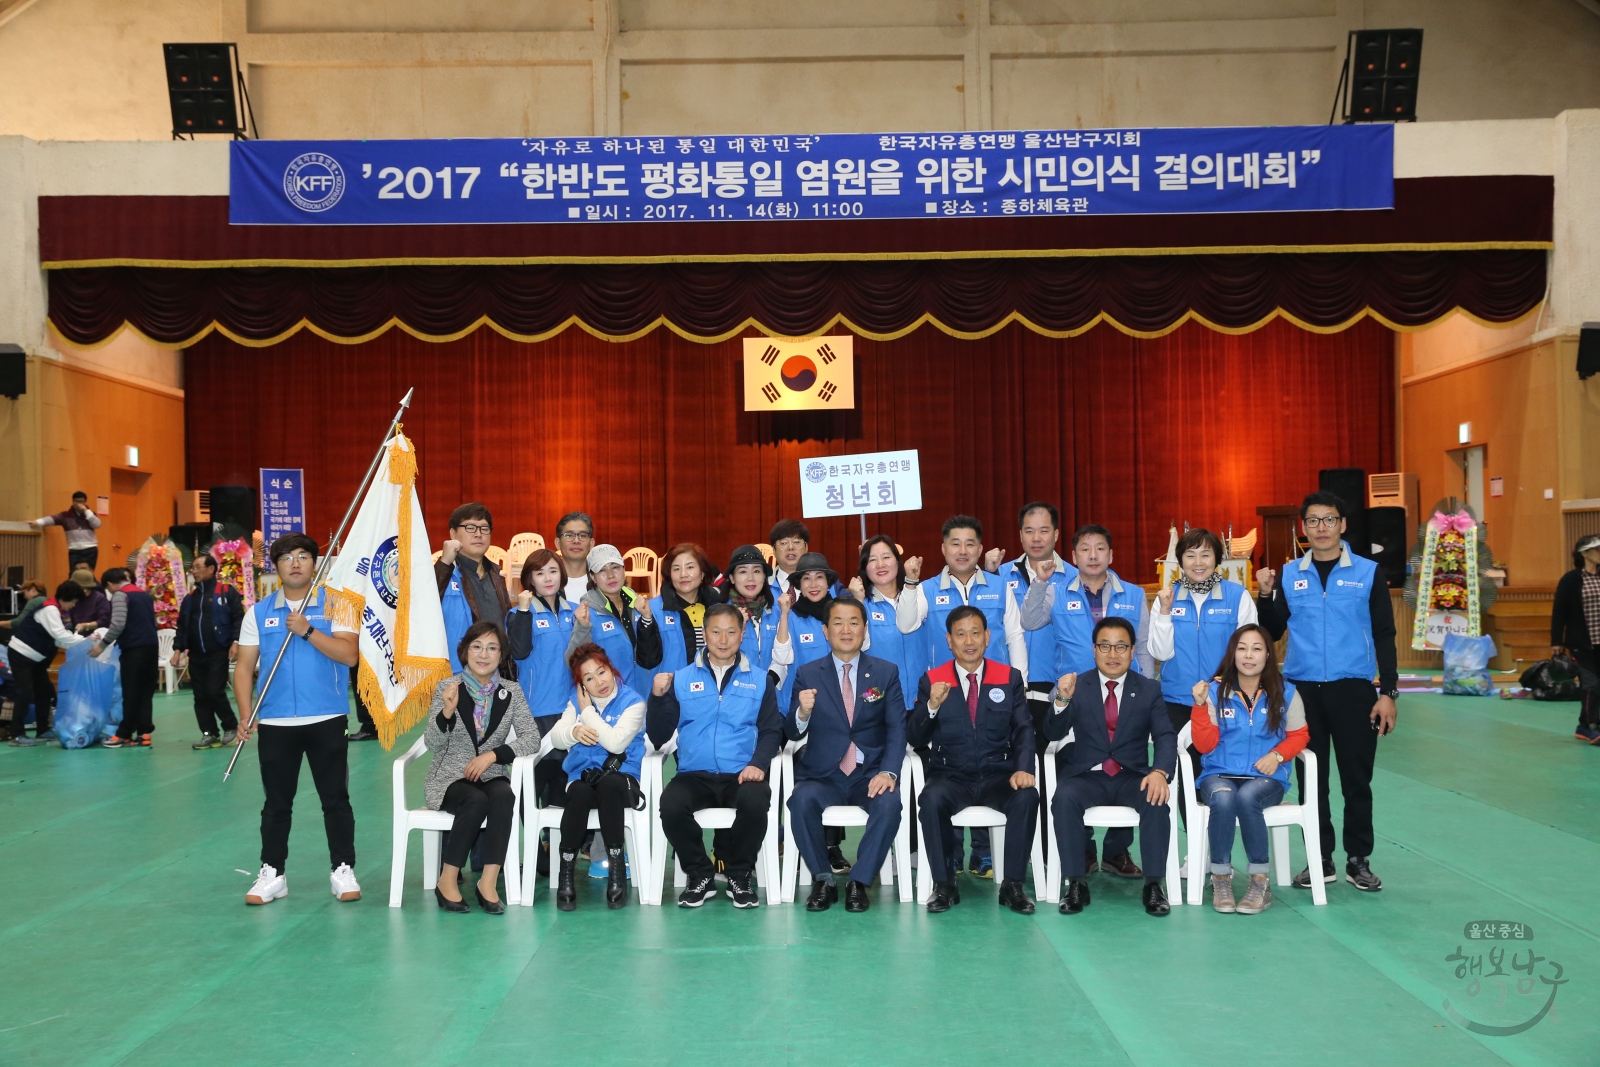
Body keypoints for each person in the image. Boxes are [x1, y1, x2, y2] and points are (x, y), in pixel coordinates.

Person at [1257, 491, 1397, 893]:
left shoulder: (1368, 572)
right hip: (1303, 694)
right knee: (1311, 780)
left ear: (1343, 524)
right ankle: (1319, 859)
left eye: (1329, 519)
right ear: (1304, 527)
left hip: (1354, 690)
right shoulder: (1289, 574)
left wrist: (1388, 691)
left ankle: (1358, 860)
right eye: (1314, 520)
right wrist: (1266, 593)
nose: (1322, 528)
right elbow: (1273, 631)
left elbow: (1385, 634)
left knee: (1357, 778)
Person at [232, 533, 363, 907]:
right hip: (275, 721)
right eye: (287, 557)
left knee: (335, 798)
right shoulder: (258, 613)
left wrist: (307, 630)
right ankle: (273, 872)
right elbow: (243, 668)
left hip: (326, 715)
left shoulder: (338, 604)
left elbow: (349, 655)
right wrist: (246, 713)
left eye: (303, 556)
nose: (295, 563)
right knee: (276, 802)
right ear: (276, 566)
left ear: (315, 564)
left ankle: (343, 868)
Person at [899, 516, 1033, 876]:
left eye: (970, 543)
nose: (962, 550)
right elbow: (906, 624)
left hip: (995, 692)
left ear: (979, 548)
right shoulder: (925, 588)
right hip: (945, 693)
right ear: (943, 549)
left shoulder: (1000, 585)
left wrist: (1020, 682)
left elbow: (1015, 635)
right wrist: (910, 582)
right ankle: (951, 855)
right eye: (954, 543)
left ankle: (985, 853)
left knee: (991, 760)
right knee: (950, 770)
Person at [1022, 523, 1151, 878]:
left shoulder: (1135, 594)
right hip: (1074, 699)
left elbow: (1142, 648)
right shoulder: (1057, 590)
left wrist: (1148, 694)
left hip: (1125, 698)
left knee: (1130, 767)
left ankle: (1117, 850)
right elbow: (1029, 620)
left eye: (1099, 549)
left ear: (1111, 555)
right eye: (1085, 549)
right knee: (1073, 771)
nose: (1092, 556)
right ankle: (1085, 849)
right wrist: (1041, 582)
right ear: (1074, 555)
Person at [648, 603, 784, 909]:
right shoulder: (680, 679)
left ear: (742, 634)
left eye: (731, 632)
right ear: (704, 634)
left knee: (755, 800)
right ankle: (700, 874)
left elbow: (771, 730)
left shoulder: (761, 680)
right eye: (716, 631)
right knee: (670, 804)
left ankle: (739, 874)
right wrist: (656, 699)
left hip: (741, 773)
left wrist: (758, 764)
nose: (723, 639)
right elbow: (658, 736)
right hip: (694, 775)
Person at [909, 606, 1038, 914]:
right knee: (931, 799)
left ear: (988, 637)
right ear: (949, 641)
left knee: (1027, 797)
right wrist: (931, 706)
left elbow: (1023, 729)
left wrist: (1022, 769)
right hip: (951, 776)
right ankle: (944, 886)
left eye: (976, 632)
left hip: (998, 775)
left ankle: (1013, 886)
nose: (969, 641)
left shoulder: (1008, 677)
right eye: (961, 634)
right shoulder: (933, 679)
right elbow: (914, 737)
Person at [1044, 616, 1176, 917]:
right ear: (1094, 649)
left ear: (1132, 651)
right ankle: (1075, 882)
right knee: (1064, 797)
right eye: (1105, 646)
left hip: (1132, 777)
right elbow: (1052, 733)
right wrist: (1062, 700)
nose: (1113, 654)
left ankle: (1154, 885)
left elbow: (1166, 736)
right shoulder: (1079, 685)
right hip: (1088, 775)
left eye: (1121, 647)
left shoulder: (1148, 689)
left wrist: (1160, 772)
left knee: (1156, 800)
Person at [785, 597, 907, 913]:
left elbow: (897, 729)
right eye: (838, 622)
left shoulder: (885, 672)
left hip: (870, 774)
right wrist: (802, 711)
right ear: (826, 630)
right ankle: (823, 879)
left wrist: (889, 772)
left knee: (890, 803)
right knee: (800, 800)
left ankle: (859, 881)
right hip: (824, 774)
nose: (846, 629)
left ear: (864, 629)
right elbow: (792, 731)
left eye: (854, 622)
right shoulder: (808, 673)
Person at [1189, 624, 1309, 914]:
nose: (1249, 655)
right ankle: (1220, 878)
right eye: (1242, 648)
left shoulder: (1286, 692)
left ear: (1268, 654)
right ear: (1233, 653)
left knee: (1247, 797)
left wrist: (1278, 755)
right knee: (1224, 796)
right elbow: (1205, 745)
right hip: (1219, 773)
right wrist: (1199, 706)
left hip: (1267, 778)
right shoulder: (1216, 690)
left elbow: (1300, 735)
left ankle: (1259, 881)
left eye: (1257, 648)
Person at [422, 621, 539, 914]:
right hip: (450, 778)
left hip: (491, 774)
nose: (483, 654)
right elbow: (433, 743)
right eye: (477, 647)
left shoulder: (510, 692)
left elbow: (531, 737)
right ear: (465, 652)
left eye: (492, 648)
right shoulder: (446, 688)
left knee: (504, 796)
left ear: (501, 655)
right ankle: (447, 880)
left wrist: (493, 756)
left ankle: (487, 881)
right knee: (474, 800)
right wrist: (447, 711)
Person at [1147, 528, 1257, 827]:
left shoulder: (1238, 597)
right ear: (1180, 560)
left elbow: (1250, 654)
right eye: (1190, 554)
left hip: (1223, 702)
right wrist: (1166, 613)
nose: (1198, 562)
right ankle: (1196, 853)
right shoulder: (1166, 597)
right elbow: (1158, 649)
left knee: (1219, 776)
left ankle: (1218, 852)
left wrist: (1225, 686)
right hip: (1176, 702)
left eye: (1206, 554)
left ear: (1217, 559)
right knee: (1184, 775)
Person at [546, 643, 647, 911]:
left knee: (610, 785)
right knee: (578, 791)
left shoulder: (633, 702)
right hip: (583, 777)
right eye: (588, 678)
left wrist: (587, 713)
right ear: (581, 685)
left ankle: (616, 868)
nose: (598, 682)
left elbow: (615, 743)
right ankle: (566, 872)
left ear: (611, 670)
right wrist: (574, 732)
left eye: (601, 672)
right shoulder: (574, 700)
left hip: (622, 778)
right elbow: (556, 736)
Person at [506, 547, 578, 847]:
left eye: (552, 570)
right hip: (535, 711)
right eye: (539, 572)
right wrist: (523, 610)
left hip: (571, 710)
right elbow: (519, 651)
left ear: (561, 574)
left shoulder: (576, 610)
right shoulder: (519, 613)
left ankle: (559, 846)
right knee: (532, 782)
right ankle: (536, 843)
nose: (547, 578)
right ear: (529, 580)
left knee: (565, 778)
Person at [849, 535, 930, 714]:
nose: (880, 565)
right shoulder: (858, 603)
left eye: (886, 557)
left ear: (897, 561)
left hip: (922, 700)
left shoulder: (918, 594)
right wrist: (858, 603)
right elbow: (860, 646)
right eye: (872, 559)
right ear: (864, 568)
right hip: (878, 704)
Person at [568, 543, 662, 697]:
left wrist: (647, 619)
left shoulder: (639, 606)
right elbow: (572, 663)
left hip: (643, 696)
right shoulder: (586, 613)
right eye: (602, 570)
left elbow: (653, 654)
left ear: (624, 569)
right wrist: (583, 628)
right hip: (610, 703)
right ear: (592, 576)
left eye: (615, 567)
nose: (610, 575)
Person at [172, 553, 245, 750]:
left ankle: (230, 726)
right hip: (195, 654)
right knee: (200, 696)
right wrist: (178, 649)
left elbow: (238, 618)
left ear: (211, 569)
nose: (193, 571)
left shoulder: (226, 592)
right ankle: (209, 733)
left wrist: (235, 641)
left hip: (218, 651)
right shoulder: (190, 598)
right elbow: (182, 626)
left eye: (197, 567)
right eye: (193, 568)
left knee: (214, 690)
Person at [4, 580, 85, 745]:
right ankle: (17, 734)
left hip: (36, 658)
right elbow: (60, 635)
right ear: (66, 598)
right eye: (74, 601)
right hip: (21, 655)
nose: (74, 605)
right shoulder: (49, 609)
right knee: (24, 692)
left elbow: (58, 641)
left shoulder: (56, 610)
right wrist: (85, 641)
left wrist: (81, 642)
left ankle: (43, 730)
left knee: (45, 691)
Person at [435, 503, 512, 675]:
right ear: (453, 533)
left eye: (484, 528)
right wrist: (444, 563)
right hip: (453, 675)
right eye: (470, 527)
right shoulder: (444, 572)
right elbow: (424, 605)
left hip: (493, 674)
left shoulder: (496, 575)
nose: (478, 534)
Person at [95, 568, 161, 749]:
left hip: (133, 650)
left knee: (131, 693)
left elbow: (117, 624)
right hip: (152, 649)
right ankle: (144, 733)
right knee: (145, 693)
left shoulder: (120, 595)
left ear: (109, 584)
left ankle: (124, 734)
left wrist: (101, 646)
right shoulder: (145, 595)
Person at [722, 544, 793, 685]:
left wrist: (768, 681)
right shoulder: (719, 614)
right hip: (734, 694)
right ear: (732, 578)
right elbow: (715, 658)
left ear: (764, 576)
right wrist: (736, 628)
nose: (750, 578)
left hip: (773, 696)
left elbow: (785, 657)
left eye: (756, 571)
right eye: (742, 572)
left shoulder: (779, 609)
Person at [1554, 533, 1600, 743]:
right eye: (1597, 550)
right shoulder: (1571, 580)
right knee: (1590, 685)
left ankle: (1583, 725)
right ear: (1585, 554)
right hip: (1582, 643)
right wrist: (1556, 641)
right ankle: (1592, 726)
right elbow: (1559, 612)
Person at [650, 542, 723, 673]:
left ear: (702, 573)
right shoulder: (653, 610)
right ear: (669, 575)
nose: (683, 574)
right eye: (676, 569)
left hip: (712, 687)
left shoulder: (718, 608)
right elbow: (647, 659)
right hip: (671, 689)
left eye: (690, 567)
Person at [29, 491, 101, 573]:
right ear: (73, 501)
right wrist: (37, 522)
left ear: (85, 502)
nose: (79, 504)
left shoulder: (90, 514)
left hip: (90, 549)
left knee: (88, 574)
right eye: (76, 501)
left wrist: (86, 511)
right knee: (73, 574)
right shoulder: (66, 515)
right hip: (74, 550)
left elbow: (97, 524)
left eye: (81, 502)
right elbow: (52, 519)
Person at [555, 512, 596, 605]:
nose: (576, 541)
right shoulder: (547, 580)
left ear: (591, 544)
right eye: (569, 535)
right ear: (558, 543)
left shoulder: (601, 580)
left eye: (582, 535)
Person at [67, 567, 110, 633]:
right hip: (74, 636)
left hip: (94, 636)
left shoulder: (99, 598)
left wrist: (86, 625)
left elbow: (104, 620)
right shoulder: (72, 597)